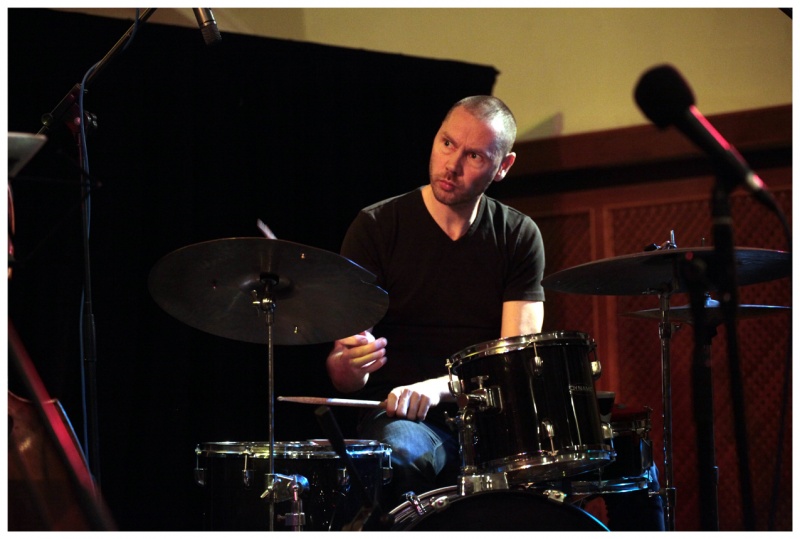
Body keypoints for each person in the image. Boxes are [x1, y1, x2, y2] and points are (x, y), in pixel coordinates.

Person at [325, 95, 545, 509]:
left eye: (474, 155)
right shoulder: (376, 227)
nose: (451, 165)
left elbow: (512, 364)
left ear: (503, 167)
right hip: (399, 417)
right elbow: (344, 377)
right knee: (401, 452)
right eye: (447, 144)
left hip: (491, 419)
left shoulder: (519, 235)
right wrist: (349, 363)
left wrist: (437, 388)